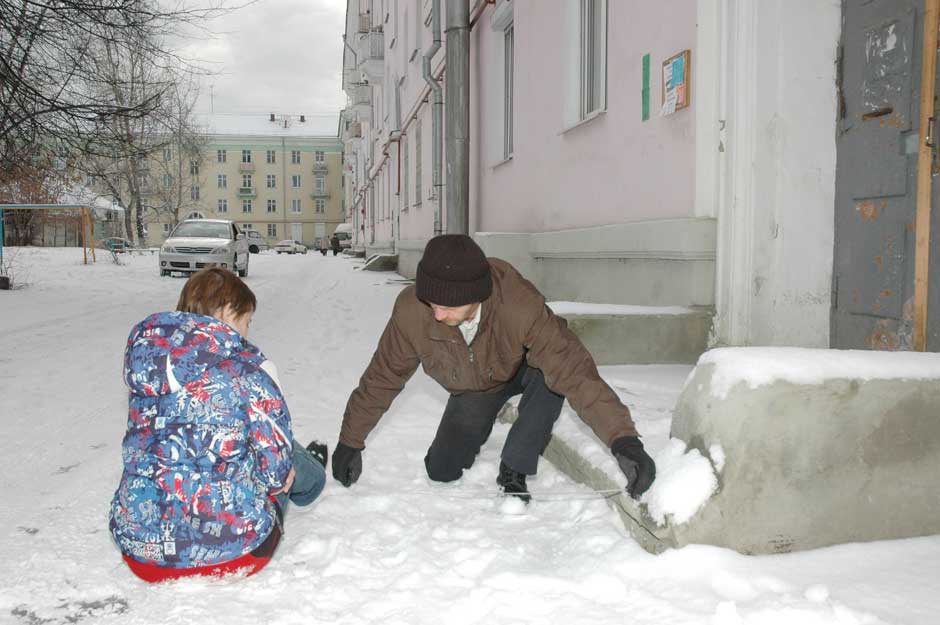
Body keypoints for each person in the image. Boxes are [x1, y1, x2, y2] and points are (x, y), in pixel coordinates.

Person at [331, 234, 655, 503]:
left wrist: (624, 441)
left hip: (526, 368)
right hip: (476, 387)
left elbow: (574, 370)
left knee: (552, 376)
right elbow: (382, 377)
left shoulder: (519, 305)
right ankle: (489, 415)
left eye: (447, 306)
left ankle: (515, 464)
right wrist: (350, 442)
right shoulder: (412, 312)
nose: (437, 315)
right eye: (432, 304)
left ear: (475, 296)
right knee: (441, 470)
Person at [109, 267, 327, 582]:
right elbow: (275, 475)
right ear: (227, 312)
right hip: (238, 553)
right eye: (247, 321)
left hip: (143, 557)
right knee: (283, 451)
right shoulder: (249, 370)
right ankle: (313, 478)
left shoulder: (148, 369)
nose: (248, 332)